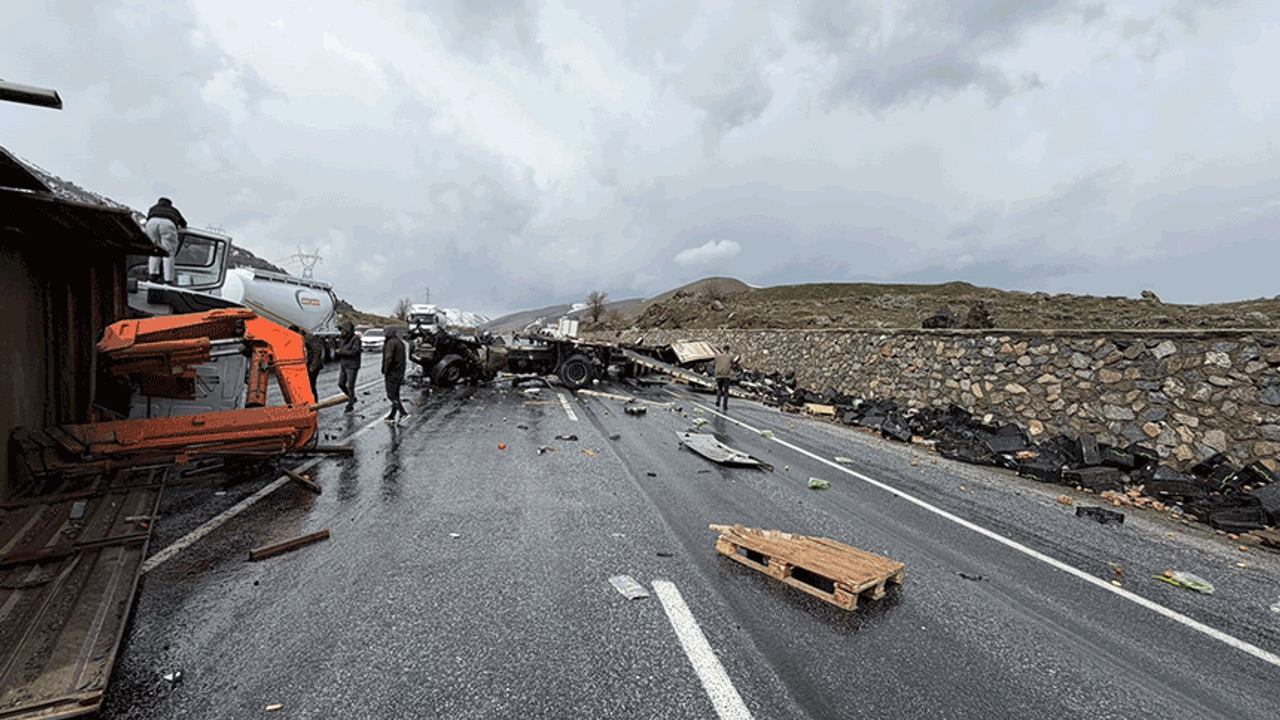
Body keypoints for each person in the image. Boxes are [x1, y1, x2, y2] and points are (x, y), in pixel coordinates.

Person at [144, 197, 187, 283]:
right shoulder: (174, 210)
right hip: (168, 223)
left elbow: (148, 217)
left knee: (154, 250)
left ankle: (153, 274)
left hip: (151, 223)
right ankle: (168, 279)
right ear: (170, 204)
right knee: (168, 252)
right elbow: (184, 223)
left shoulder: (153, 208)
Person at [382, 327, 410, 425]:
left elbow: (388, 358)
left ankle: (403, 413)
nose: (384, 334)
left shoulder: (390, 343)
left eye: (385, 332)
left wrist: (386, 370)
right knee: (396, 394)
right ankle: (392, 416)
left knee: (391, 395)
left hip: (392, 373)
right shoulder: (400, 342)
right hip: (400, 372)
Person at [291, 324, 325, 399]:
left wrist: (312, 367)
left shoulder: (309, 336)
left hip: (311, 366)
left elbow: (317, 351)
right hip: (305, 366)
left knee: (310, 386)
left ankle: (313, 404)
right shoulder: (299, 335)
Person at [335, 321, 361, 412]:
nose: (342, 331)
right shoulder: (342, 339)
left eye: (343, 329)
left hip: (352, 365)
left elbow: (354, 352)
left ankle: (350, 404)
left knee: (350, 385)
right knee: (341, 383)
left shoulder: (355, 339)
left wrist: (341, 352)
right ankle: (351, 397)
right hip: (344, 364)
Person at [714, 344, 733, 410]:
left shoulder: (717, 356)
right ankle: (725, 405)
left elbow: (714, 364)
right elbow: (733, 364)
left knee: (719, 388)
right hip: (726, 376)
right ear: (728, 350)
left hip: (718, 375)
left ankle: (718, 400)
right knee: (726, 391)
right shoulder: (730, 357)